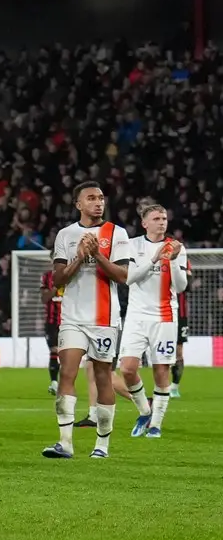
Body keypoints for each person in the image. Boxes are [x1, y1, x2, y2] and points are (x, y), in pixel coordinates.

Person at [46, 181, 131, 460]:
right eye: (91, 198)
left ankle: (102, 445)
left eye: (101, 198)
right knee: (67, 373)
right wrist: (79, 258)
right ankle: (65, 443)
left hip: (104, 318)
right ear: (78, 204)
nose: (98, 202)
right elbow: (58, 279)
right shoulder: (66, 235)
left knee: (103, 377)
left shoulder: (117, 233)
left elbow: (122, 276)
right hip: (72, 316)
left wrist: (96, 255)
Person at [120, 204, 188, 438]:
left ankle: (156, 425)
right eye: (157, 218)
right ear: (144, 223)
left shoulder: (177, 247)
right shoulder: (133, 245)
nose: (162, 222)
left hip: (164, 316)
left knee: (161, 371)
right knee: (127, 369)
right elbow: (129, 278)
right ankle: (145, 411)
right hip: (136, 316)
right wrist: (155, 259)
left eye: (164, 218)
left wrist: (172, 261)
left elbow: (181, 286)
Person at [38, 257, 63, 398]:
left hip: (69, 320)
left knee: (66, 354)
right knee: (54, 350)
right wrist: (55, 287)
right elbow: (44, 298)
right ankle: (54, 382)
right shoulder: (46, 276)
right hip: (52, 321)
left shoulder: (71, 274)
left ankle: (64, 384)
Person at [171, 259, 193, 399]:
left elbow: (189, 287)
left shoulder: (184, 260)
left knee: (178, 351)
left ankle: (174, 387)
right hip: (161, 310)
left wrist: (186, 273)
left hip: (180, 314)